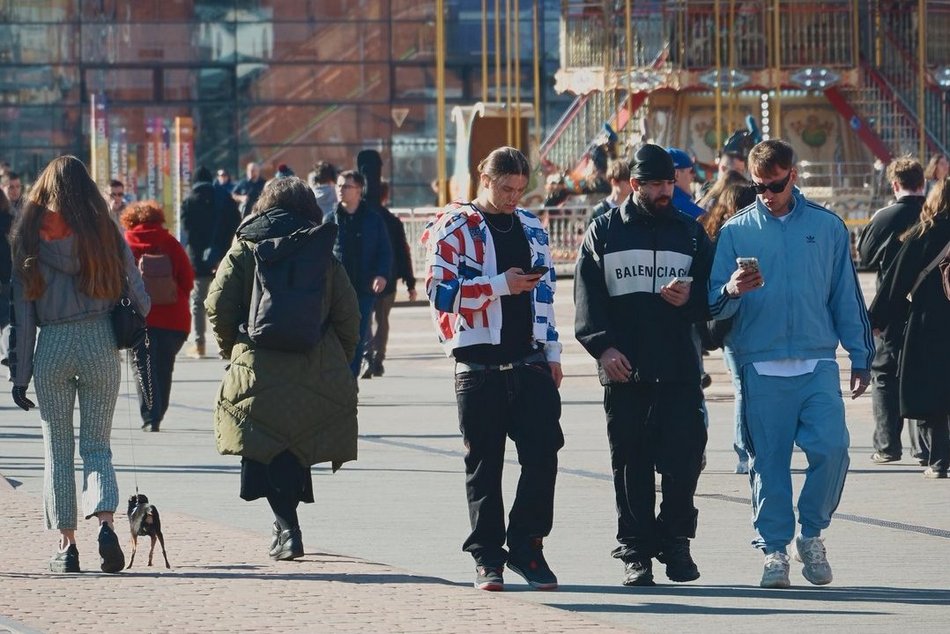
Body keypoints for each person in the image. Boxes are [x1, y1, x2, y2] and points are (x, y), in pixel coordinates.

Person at [708, 139, 874, 589]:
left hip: (817, 362)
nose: (767, 194)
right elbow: (712, 303)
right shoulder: (735, 231)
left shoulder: (828, 226)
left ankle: (812, 534)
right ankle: (774, 551)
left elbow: (846, 296)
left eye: (775, 185)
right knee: (769, 465)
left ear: (793, 176)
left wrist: (861, 355)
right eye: (758, 186)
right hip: (760, 365)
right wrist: (731, 290)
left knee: (833, 450)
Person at [422, 146, 563, 592]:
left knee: (543, 453)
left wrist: (553, 351)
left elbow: (546, 293)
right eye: (505, 188)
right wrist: (500, 286)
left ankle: (527, 546)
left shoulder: (531, 225)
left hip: (529, 358)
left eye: (520, 189)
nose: (513, 198)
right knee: (484, 464)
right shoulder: (455, 225)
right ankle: (487, 556)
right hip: (477, 362)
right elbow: (438, 292)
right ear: (484, 179)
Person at [575, 143, 712, 587]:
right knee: (630, 464)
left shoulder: (691, 233)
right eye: (655, 184)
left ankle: (676, 542)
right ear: (634, 185)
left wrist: (691, 298)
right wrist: (603, 349)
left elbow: (712, 297)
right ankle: (636, 552)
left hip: (679, 369)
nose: (665, 191)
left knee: (684, 461)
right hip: (625, 371)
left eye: (669, 182)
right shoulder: (603, 232)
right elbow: (587, 299)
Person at [8, 155, 150, 573]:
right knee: (97, 445)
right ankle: (105, 523)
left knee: (57, 448)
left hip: (51, 344)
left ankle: (67, 546)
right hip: (99, 340)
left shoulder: (29, 236)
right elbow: (140, 298)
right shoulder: (104, 229)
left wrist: (20, 374)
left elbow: (23, 316)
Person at [205, 176, 360, 560]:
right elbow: (349, 315)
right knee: (295, 445)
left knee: (264, 445)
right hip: (313, 362)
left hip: (257, 362)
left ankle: (287, 528)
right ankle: (286, 527)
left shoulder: (245, 245)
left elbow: (217, 305)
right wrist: (335, 360)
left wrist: (233, 349)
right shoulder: (321, 248)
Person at [869, 178, 950, 478]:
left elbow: (896, 282)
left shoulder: (923, 234)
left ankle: (938, 460)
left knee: (933, 389)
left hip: (929, 323)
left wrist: (876, 320)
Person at [856, 157, 928, 465]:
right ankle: (925, 448)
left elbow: (865, 256)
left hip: (891, 305)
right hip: (928, 306)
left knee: (884, 373)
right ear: (922, 182)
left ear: (894, 185)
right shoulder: (934, 213)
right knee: (924, 372)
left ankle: (887, 445)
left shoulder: (884, 217)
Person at [698, 172, 756, 474]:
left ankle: (746, 450)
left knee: (743, 387)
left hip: (725, 319)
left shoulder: (712, 234)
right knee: (744, 388)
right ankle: (744, 451)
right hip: (735, 318)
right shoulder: (735, 237)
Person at [120, 200, 195, 432]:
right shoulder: (171, 243)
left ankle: (150, 416)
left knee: (142, 366)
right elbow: (188, 280)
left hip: (139, 318)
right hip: (174, 319)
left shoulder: (126, 244)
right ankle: (158, 413)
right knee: (164, 366)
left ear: (130, 221)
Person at [323, 169, 391, 376]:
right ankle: (338, 378)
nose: (340, 190)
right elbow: (321, 254)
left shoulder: (372, 219)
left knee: (357, 336)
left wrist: (381, 275)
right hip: (336, 290)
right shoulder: (330, 219)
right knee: (335, 336)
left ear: (359, 189)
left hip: (364, 288)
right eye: (339, 186)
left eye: (346, 186)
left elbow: (384, 250)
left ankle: (350, 380)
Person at [180, 165, 240, 358]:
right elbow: (236, 224)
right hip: (223, 257)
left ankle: (199, 345)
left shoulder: (189, 201)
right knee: (223, 301)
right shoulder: (224, 198)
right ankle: (225, 345)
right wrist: (222, 249)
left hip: (198, 259)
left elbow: (186, 231)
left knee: (198, 302)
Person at [361, 180, 417, 378]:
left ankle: (367, 354)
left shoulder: (363, 219)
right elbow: (403, 252)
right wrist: (410, 283)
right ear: (385, 196)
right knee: (382, 319)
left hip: (364, 277)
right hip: (389, 277)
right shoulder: (393, 221)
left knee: (365, 318)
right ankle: (378, 357)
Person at [587, 160, 632, 225]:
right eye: (628, 182)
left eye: (633, 181)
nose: (632, 185)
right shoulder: (599, 212)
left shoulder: (635, 210)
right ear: (614, 182)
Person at [666, 147, 705, 219]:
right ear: (676, 174)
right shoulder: (686, 208)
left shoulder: (656, 202)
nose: (694, 175)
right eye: (691, 171)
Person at [0, 188, 12, 375]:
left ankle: (8, 353)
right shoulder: (10, 221)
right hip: (7, 277)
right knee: (7, 320)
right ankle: (8, 352)